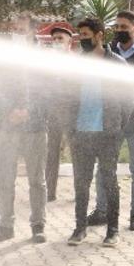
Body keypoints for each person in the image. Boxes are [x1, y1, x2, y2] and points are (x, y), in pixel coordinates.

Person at [88, 10, 134, 231]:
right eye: (117, 27)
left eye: (124, 27)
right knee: (103, 167)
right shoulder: (107, 53)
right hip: (111, 120)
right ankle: (101, 210)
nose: (120, 31)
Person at [65, 18, 130, 247]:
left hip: (108, 133)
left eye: (85, 34)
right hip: (80, 132)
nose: (82, 38)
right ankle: (79, 228)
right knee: (80, 182)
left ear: (99, 35)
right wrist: (69, 129)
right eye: (80, 34)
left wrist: (119, 129)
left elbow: (127, 100)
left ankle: (112, 231)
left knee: (109, 180)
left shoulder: (117, 63)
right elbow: (67, 99)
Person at [0, 13, 49, 244]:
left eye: (21, 28)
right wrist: (9, 111)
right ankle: (6, 224)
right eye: (14, 29)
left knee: (37, 180)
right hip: (7, 127)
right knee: (5, 179)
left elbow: (49, 91)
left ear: (34, 30)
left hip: (35, 128)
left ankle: (38, 225)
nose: (16, 32)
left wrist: (29, 112)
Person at [44, 24, 75, 203]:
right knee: (51, 153)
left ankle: (79, 190)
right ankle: (50, 191)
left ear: (69, 42)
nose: (56, 42)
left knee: (76, 153)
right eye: (54, 39)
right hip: (52, 114)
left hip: (71, 115)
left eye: (60, 38)